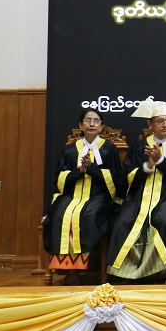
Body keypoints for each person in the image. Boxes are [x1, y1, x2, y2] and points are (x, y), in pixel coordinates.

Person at [107, 98, 166, 281]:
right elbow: (126, 176)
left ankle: (158, 271)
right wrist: (147, 166)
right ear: (150, 124)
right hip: (139, 195)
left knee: (163, 220)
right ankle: (128, 272)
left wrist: (162, 161)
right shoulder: (139, 146)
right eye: (160, 121)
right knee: (124, 221)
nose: (165, 125)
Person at [43, 108, 122, 285]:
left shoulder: (109, 149)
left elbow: (116, 178)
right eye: (88, 120)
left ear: (101, 126)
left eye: (96, 121)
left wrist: (92, 169)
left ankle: (82, 266)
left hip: (99, 195)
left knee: (89, 215)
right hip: (72, 194)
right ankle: (69, 270)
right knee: (61, 214)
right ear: (81, 125)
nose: (91, 124)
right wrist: (80, 170)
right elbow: (59, 177)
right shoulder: (70, 149)